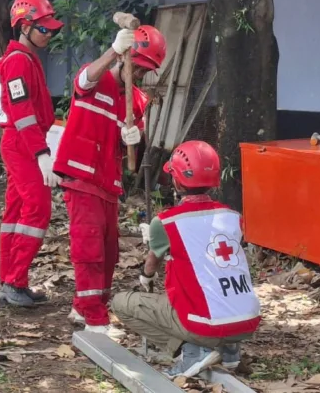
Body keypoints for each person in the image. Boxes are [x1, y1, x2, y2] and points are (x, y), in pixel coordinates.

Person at [112, 141, 261, 376]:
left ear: (176, 179)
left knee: (122, 303)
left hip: (205, 325)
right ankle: (230, 349)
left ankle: (192, 350)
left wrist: (145, 277)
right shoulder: (233, 217)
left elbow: (151, 266)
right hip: (248, 320)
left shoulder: (167, 222)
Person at [54, 25, 163, 338]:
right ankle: (94, 317)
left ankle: (84, 305)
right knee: (89, 248)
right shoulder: (97, 77)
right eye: (138, 67)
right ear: (127, 58)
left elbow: (131, 142)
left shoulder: (136, 100)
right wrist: (115, 50)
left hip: (107, 181)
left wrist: (134, 137)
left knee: (108, 250)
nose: (141, 75)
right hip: (81, 175)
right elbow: (83, 79)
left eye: (146, 71)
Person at [0, 0, 63, 307]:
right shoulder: (19, 61)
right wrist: (41, 153)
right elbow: (22, 112)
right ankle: (14, 280)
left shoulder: (25, 59)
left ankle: (10, 279)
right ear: (24, 26)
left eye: (51, 30)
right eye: (43, 29)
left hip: (23, 141)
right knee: (37, 209)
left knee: (16, 212)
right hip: (23, 143)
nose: (49, 34)